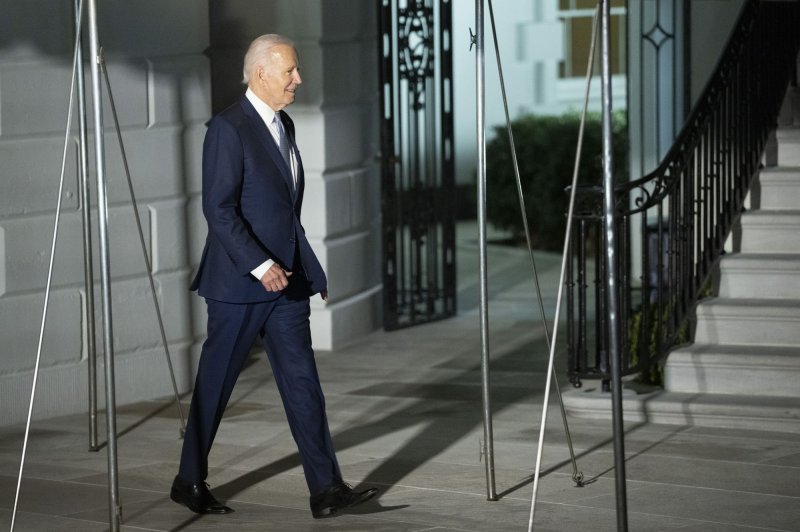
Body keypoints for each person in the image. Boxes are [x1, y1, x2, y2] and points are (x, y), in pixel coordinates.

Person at [170, 33, 378, 519]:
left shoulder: (283, 124)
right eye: (290, 71)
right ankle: (188, 479)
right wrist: (261, 266)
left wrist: (309, 269)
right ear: (261, 72)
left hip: (287, 285)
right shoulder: (227, 128)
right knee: (216, 385)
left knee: (303, 383)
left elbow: (284, 212)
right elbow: (218, 210)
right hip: (239, 285)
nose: (298, 79)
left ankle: (326, 490)